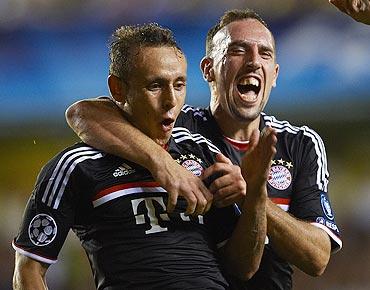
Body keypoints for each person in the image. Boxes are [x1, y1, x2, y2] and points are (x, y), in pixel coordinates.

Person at [66, 8, 343, 290]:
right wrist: (163, 164)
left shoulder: (299, 144)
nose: (253, 62)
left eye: (265, 54)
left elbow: (317, 258)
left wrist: (252, 195)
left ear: (274, 75)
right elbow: (82, 113)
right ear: (208, 69)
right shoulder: (172, 126)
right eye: (238, 50)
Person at [12, 23, 277, 289]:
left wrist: (255, 194)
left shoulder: (203, 153)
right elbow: (28, 271)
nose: (171, 100)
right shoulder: (76, 166)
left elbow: (244, 268)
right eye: (155, 85)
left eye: (179, 84)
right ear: (118, 89)